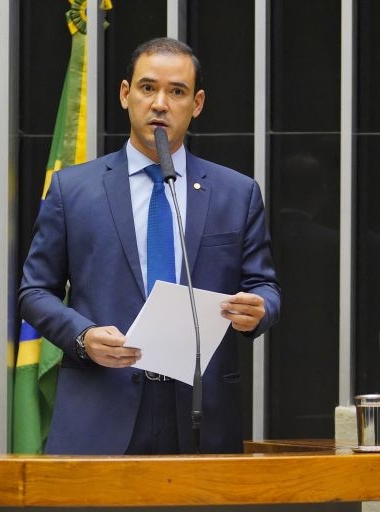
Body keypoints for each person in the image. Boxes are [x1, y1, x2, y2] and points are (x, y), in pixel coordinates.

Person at [18, 37, 280, 455]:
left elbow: (264, 287)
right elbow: (34, 292)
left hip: (198, 410)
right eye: (147, 88)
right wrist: (83, 336)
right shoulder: (73, 189)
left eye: (176, 92)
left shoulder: (237, 192)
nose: (160, 103)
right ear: (126, 95)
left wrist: (259, 309)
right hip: (101, 405)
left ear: (196, 104)